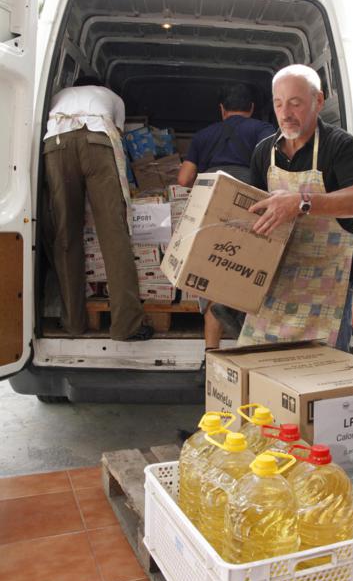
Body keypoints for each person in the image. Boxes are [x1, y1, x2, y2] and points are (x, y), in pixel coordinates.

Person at [213, 64, 353, 351]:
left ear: (318, 101)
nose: (285, 113)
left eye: (295, 103)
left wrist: (302, 202)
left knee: (323, 381)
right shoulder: (264, 152)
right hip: (276, 284)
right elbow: (256, 217)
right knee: (265, 372)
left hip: (327, 288)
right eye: (278, 103)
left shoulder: (340, 146)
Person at [43, 76, 153, 341]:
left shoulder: (58, 96)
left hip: (57, 144)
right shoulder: (112, 97)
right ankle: (126, 325)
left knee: (65, 236)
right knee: (114, 233)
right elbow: (117, 135)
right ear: (102, 85)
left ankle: (73, 323)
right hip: (97, 142)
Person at [177, 84, 274, 371]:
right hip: (251, 207)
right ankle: (250, 358)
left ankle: (210, 357)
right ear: (252, 108)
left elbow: (184, 179)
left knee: (212, 281)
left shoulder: (204, 135)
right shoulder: (264, 130)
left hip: (211, 205)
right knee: (246, 279)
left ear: (222, 109)